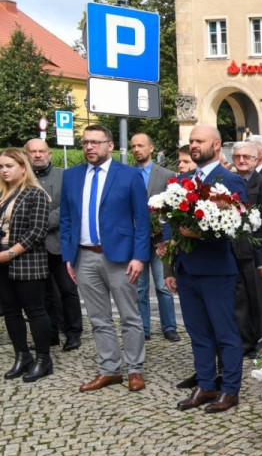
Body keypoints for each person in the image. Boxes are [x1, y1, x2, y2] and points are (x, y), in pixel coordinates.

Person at [60, 125, 151, 393]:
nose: (89, 147)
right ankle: (110, 369)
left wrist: (139, 256)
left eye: (95, 142)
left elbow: (142, 220)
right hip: (84, 256)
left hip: (121, 257)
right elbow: (66, 219)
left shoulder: (129, 175)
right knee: (98, 318)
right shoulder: (71, 176)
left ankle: (134, 369)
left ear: (110, 145)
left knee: (130, 316)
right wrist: (68, 256)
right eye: (85, 142)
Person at [167, 124, 248, 413]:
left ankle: (230, 389)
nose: (194, 145)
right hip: (187, 269)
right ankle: (206, 384)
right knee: (198, 332)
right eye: (191, 141)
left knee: (225, 333)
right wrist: (170, 267)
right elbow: (171, 222)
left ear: (216, 145)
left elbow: (237, 226)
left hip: (216, 269)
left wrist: (201, 234)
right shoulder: (183, 180)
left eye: (199, 140)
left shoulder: (230, 180)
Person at [0, 149, 54, 382]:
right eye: (1, 166)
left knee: (35, 311)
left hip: (27, 261)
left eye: (9, 166)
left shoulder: (35, 194)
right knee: (10, 311)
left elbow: (37, 231)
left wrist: (10, 253)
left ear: (23, 168)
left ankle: (43, 359)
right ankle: (22, 356)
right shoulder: (2, 194)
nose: (4, 170)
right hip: (2, 261)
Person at [25, 138, 82, 351]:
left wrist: (40, 223)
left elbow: (69, 206)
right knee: (43, 294)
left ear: (49, 153)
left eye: (42, 151)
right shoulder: (22, 178)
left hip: (59, 244)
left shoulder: (64, 176)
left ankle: (73, 333)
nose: (38, 155)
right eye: (33, 152)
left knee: (68, 290)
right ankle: (49, 335)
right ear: (26, 155)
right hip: (32, 248)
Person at [130, 133, 180, 343]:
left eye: (140, 145)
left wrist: (167, 237)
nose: (136, 149)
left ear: (151, 148)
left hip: (160, 238)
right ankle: (143, 328)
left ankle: (169, 326)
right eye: (133, 146)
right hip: (137, 240)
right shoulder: (128, 174)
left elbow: (172, 208)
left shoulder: (166, 175)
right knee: (140, 287)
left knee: (162, 284)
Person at [230, 141, 262, 351]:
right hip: (233, 251)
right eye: (237, 157)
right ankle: (245, 343)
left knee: (261, 303)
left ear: (256, 159)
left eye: (246, 157)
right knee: (239, 301)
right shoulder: (228, 183)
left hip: (256, 253)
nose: (241, 160)